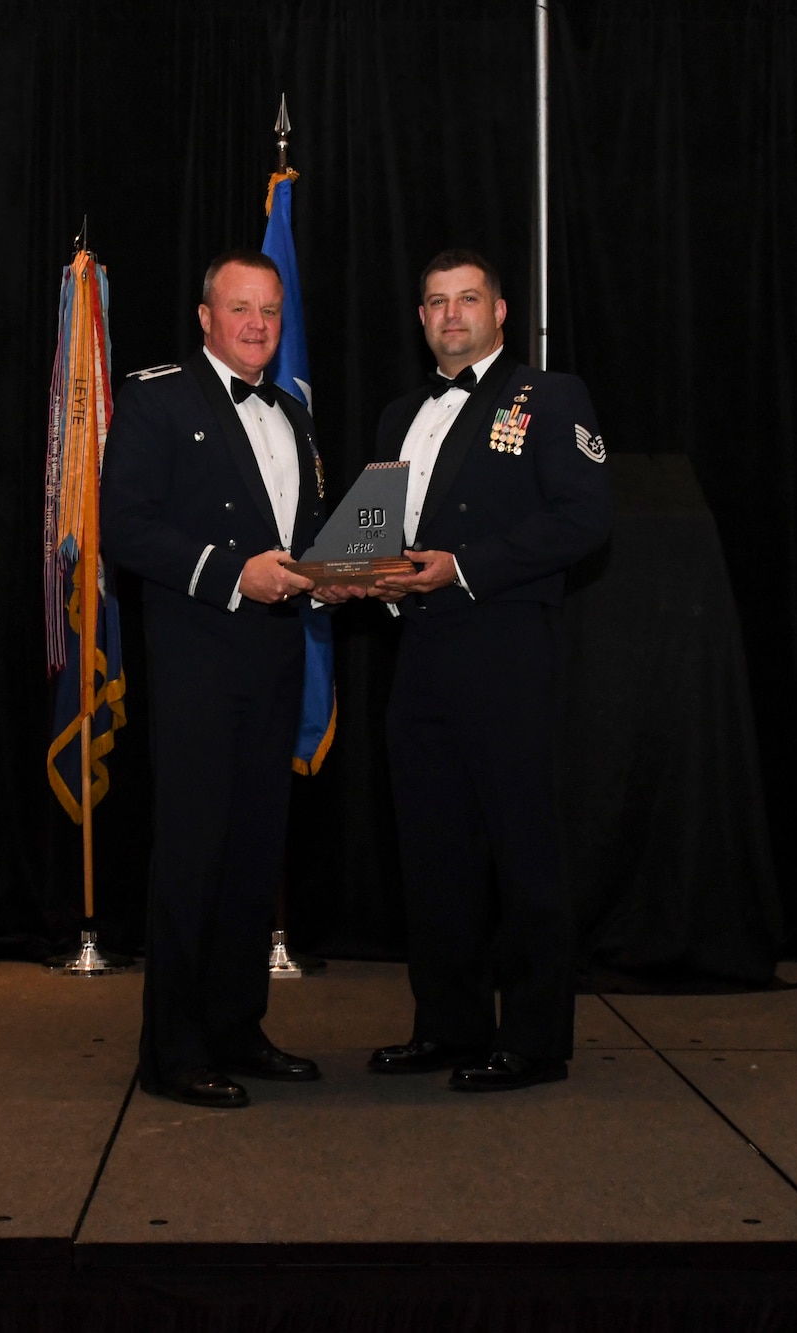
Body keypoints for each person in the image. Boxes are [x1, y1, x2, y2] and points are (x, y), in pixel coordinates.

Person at [328, 248, 611, 1091]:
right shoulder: (396, 415)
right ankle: (447, 1024)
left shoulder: (551, 397)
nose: (452, 315)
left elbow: (585, 520)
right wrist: (340, 578)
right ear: (421, 319)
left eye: (468, 300)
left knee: (523, 850)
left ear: (500, 311)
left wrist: (469, 566)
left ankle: (532, 1039)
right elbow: (369, 542)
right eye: (436, 302)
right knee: (432, 850)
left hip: (506, 649)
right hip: (417, 655)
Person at [99, 249, 326, 1108]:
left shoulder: (296, 414)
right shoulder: (157, 397)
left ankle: (238, 1026)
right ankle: (174, 1049)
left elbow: (303, 539)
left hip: (276, 657)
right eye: (240, 309)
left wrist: (336, 575)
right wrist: (235, 573)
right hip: (198, 657)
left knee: (253, 852)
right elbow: (125, 527)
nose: (258, 325)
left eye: (270, 310)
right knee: (193, 855)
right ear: (205, 317)